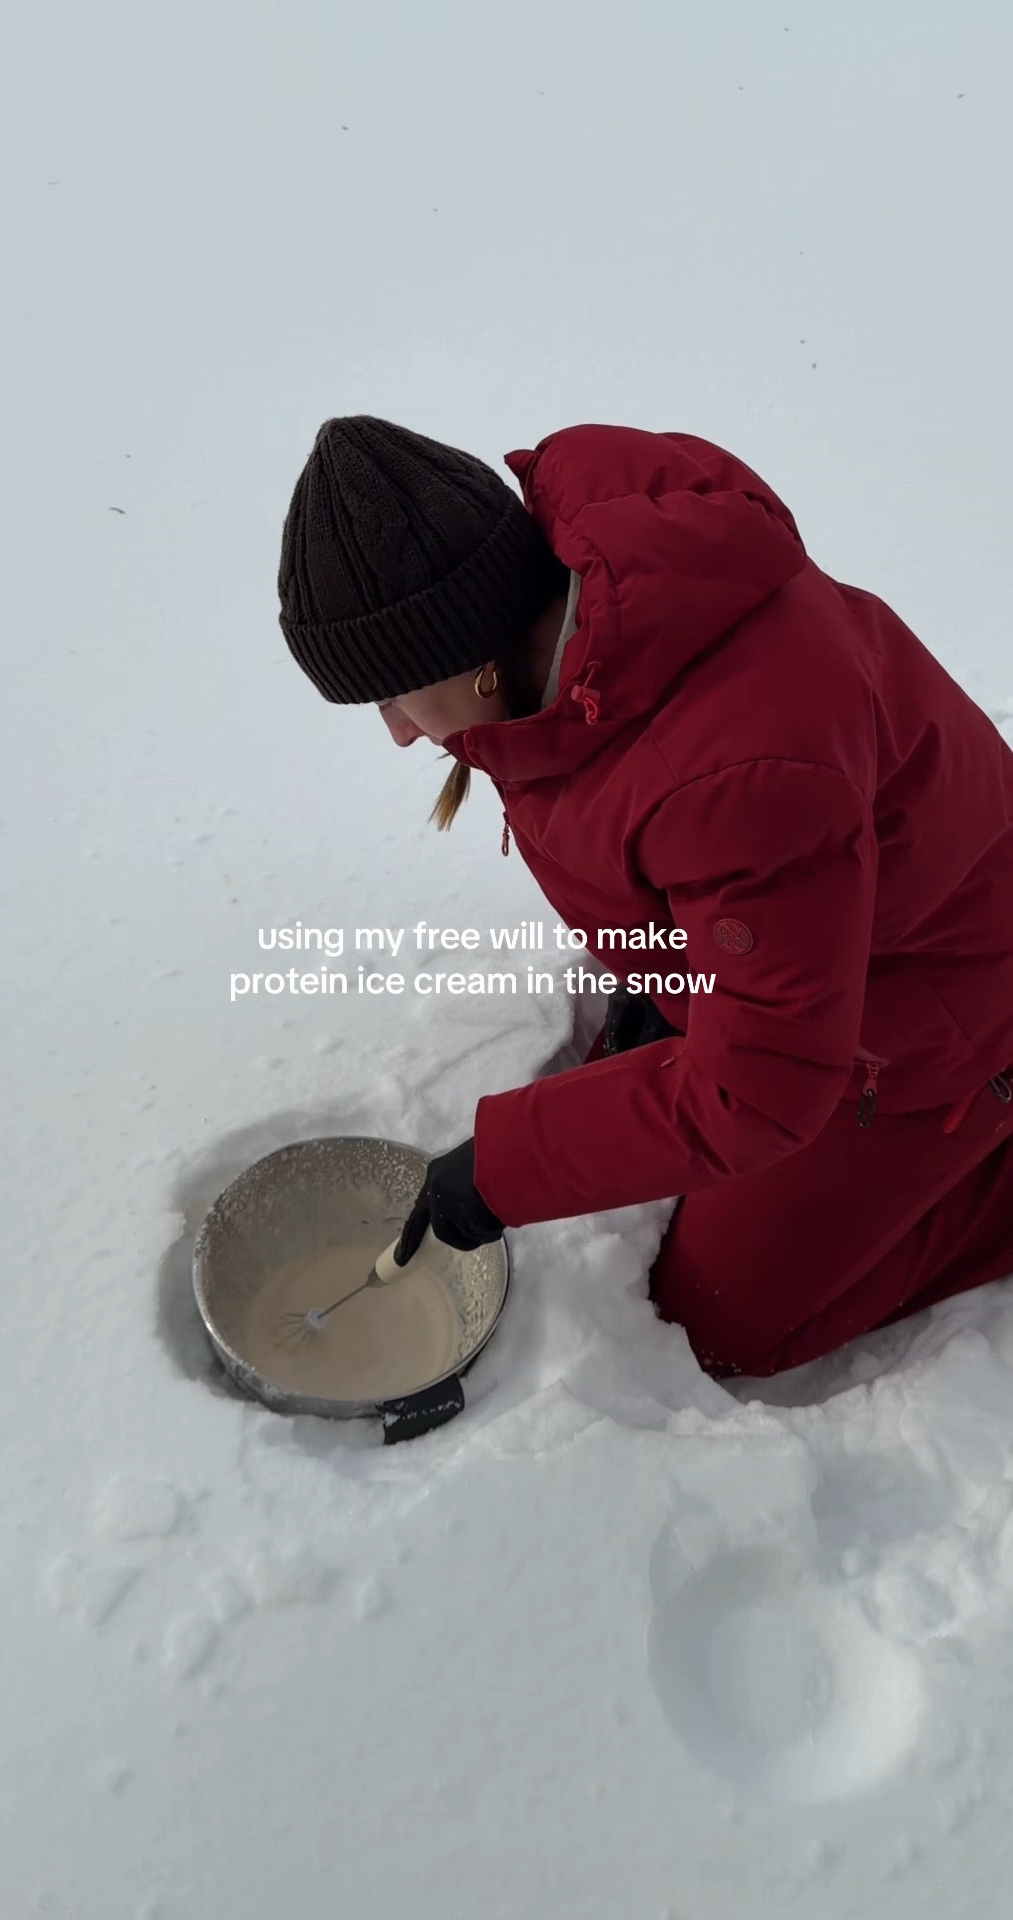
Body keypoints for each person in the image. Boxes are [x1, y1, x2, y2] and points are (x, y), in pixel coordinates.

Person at [277, 414, 1013, 1379]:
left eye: (396, 698)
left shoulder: (739, 766)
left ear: (473, 655)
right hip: (824, 963)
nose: (399, 736)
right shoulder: (568, 665)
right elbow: (668, 854)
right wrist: (668, 974)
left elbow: (763, 1088)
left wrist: (502, 1168)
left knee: (719, 1322)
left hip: (941, 1023)